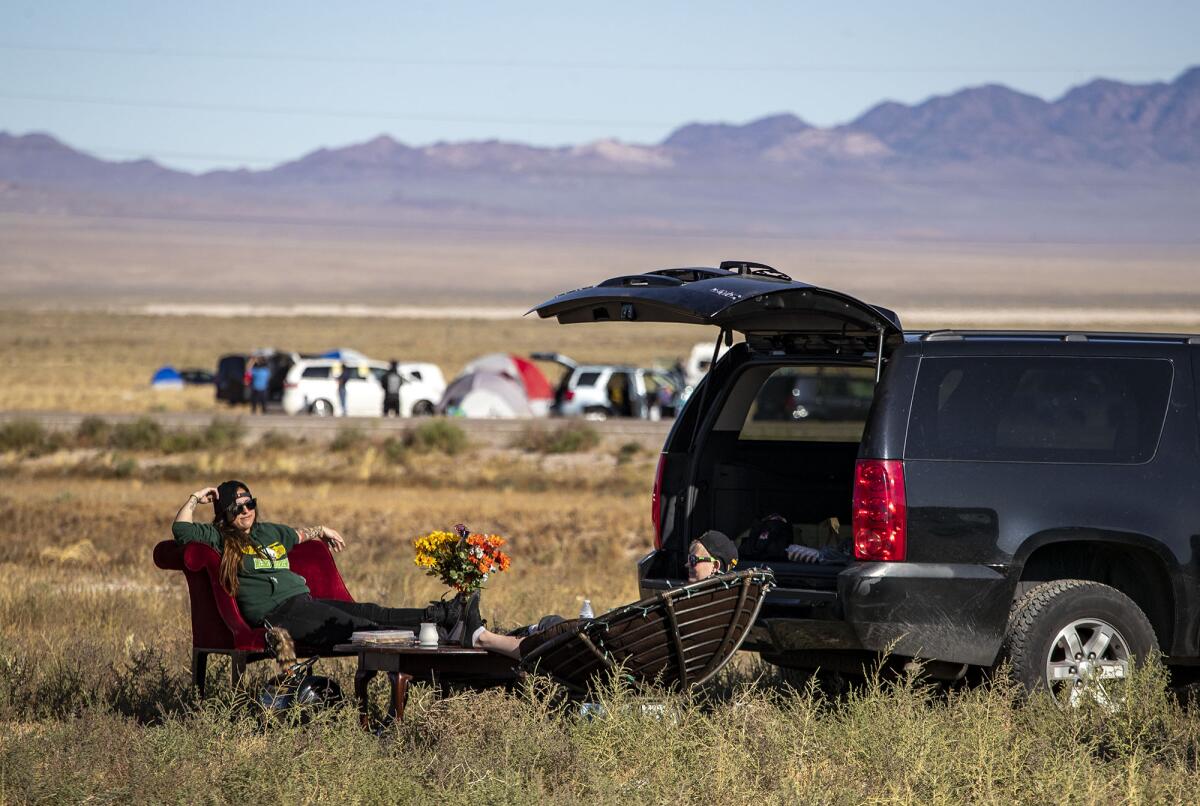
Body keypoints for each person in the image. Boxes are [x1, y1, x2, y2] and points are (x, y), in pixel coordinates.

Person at [172, 480, 464, 652]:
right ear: (224, 513)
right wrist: (195, 498)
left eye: (250, 504)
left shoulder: (269, 532)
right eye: (237, 508)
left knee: (371, 611)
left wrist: (321, 529)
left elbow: (299, 534)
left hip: (303, 603)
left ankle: (440, 616)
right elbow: (181, 531)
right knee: (359, 626)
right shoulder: (219, 537)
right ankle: (434, 628)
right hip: (277, 615)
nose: (246, 511)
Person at [463, 530, 739, 660]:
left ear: (715, 565)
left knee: (565, 632)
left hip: (627, 660)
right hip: (643, 656)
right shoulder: (716, 605)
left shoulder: (694, 601)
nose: (688, 565)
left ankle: (483, 638)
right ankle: (506, 636)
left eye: (695, 560)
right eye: (689, 559)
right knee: (556, 624)